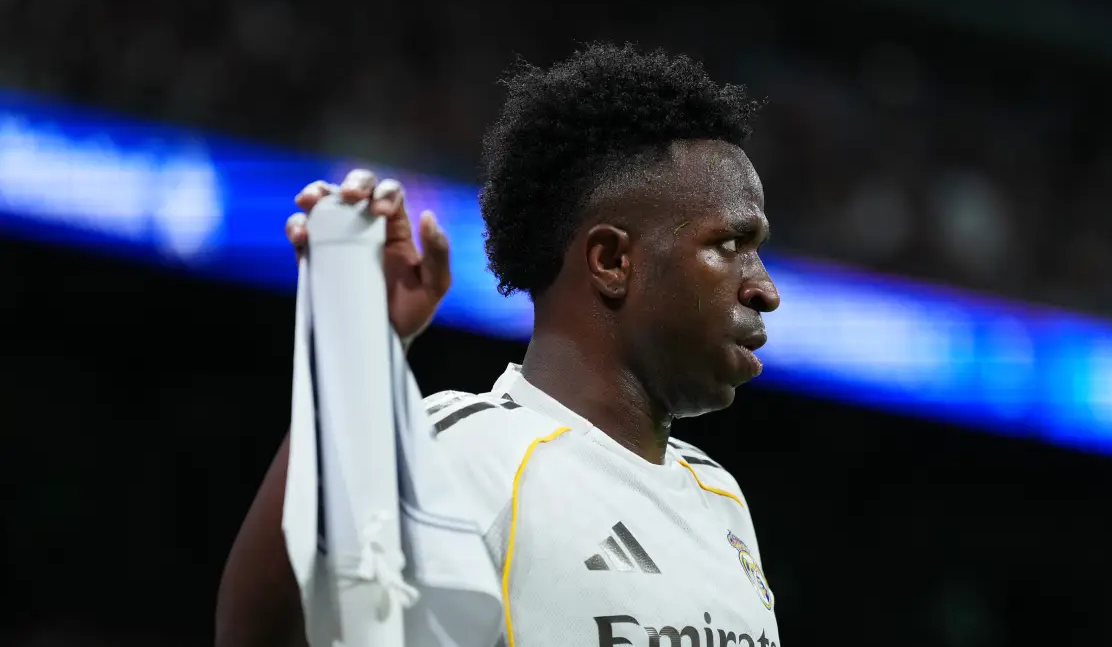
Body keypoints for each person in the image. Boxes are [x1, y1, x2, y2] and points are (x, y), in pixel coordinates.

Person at [216, 42, 782, 647]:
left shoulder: (721, 498)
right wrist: (354, 347)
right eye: (730, 244)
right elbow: (264, 635)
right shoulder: (466, 453)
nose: (765, 289)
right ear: (612, 260)